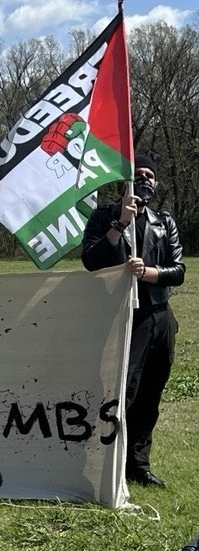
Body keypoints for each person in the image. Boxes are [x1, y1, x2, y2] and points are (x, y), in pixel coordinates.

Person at [81, 155, 185, 487]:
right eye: (138, 175)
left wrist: (150, 273)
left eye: (149, 176)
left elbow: (179, 271)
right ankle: (107, 463)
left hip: (159, 316)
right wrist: (121, 223)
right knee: (122, 393)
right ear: (124, 182)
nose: (144, 181)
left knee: (151, 394)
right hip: (122, 316)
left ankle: (138, 464)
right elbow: (91, 260)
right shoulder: (104, 217)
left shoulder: (163, 221)